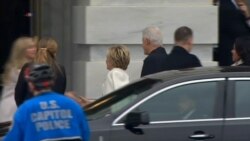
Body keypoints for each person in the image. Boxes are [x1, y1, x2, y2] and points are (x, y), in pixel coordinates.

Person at [4, 64, 90, 141]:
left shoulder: (25, 110)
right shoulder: (72, 105)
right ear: (52, 82)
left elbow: (12, 138)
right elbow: (85, 134)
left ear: (31, 85)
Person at [15, 37, 67, 107]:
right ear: (54, 52)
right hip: (52, 110)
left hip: (31, 109)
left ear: (37, 49)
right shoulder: (60, 69)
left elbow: (19, 94)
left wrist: (24, 109)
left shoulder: (28, 67)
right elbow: (61, 93)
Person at [0, 37, 36, 123]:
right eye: (30, 47)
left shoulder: (25, 67)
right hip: (12, 109)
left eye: (34, 46)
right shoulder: (18, 70)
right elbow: (37, 87)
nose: (34, 49)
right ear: (22, 51)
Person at [219, 0, 250, 66]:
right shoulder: (226, 6)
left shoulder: (239, 5)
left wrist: (247, 15)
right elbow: (239, 31)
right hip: (231, 56)